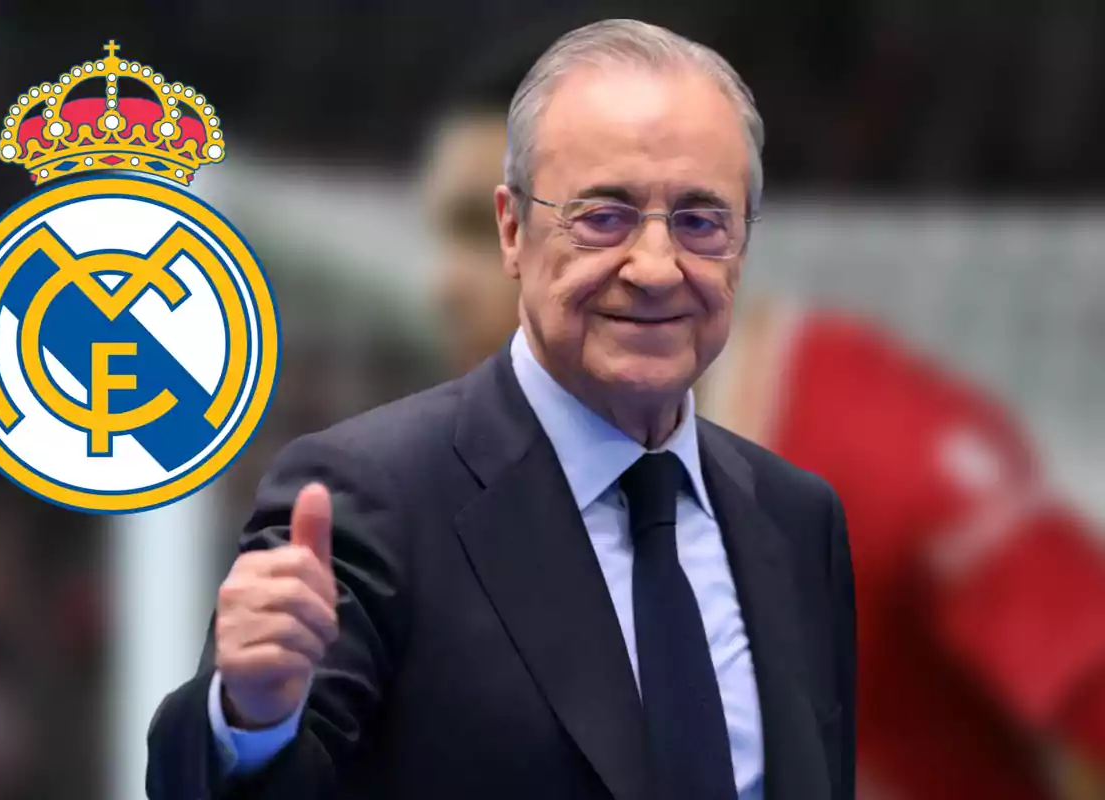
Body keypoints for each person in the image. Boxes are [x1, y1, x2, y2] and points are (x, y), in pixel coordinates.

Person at [147, 19, 856, 800]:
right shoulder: (372, 496)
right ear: (512, 230)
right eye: (604, 217)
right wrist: (250, 720)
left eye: (699, 221)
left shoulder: (796, 519)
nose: (657, 267)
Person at [422, 23, 1105, 800]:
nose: (443, 284)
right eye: (460, 231)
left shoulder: (876, 449)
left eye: (487, 232)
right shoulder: (473, 499)